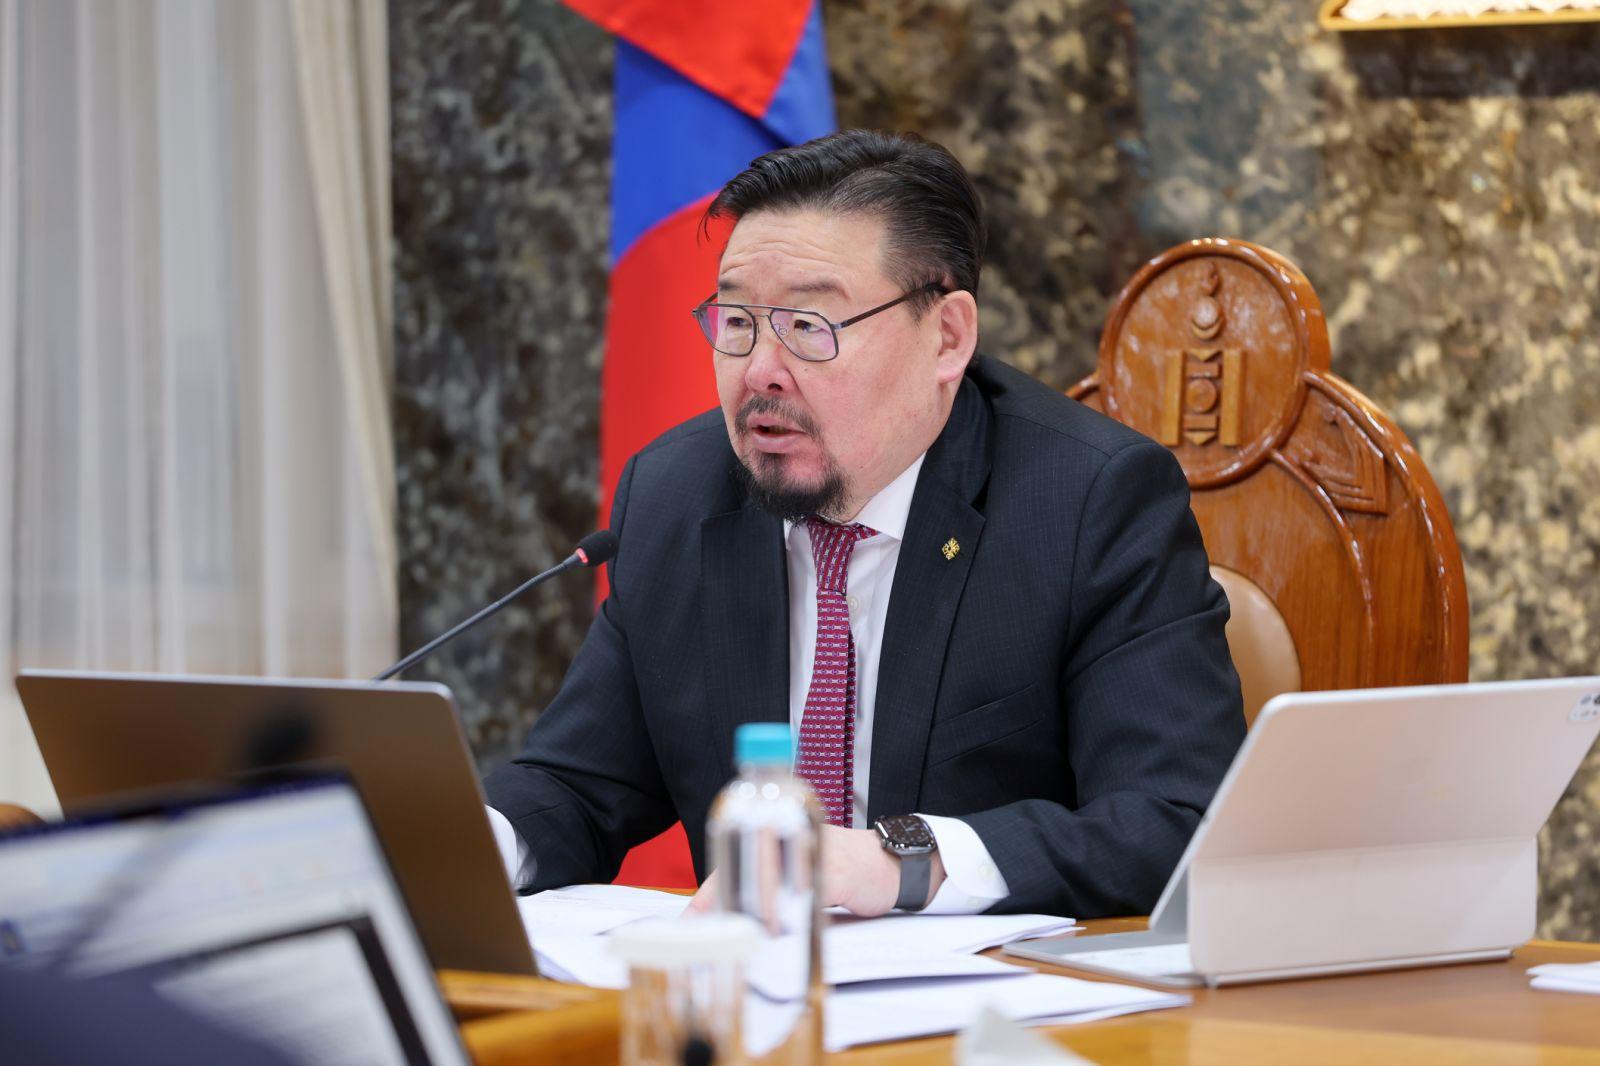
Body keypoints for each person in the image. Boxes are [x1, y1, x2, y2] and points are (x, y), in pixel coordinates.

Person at [484, 129, 1244, 918]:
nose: (760, 371)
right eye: (737, 322)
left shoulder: (1086, 502)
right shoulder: (678, 493)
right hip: (757, 983)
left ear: (946, 337)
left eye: (809, 325)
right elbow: (577, 785)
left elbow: (1176, 820)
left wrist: (900, 862)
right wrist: (466, 842)